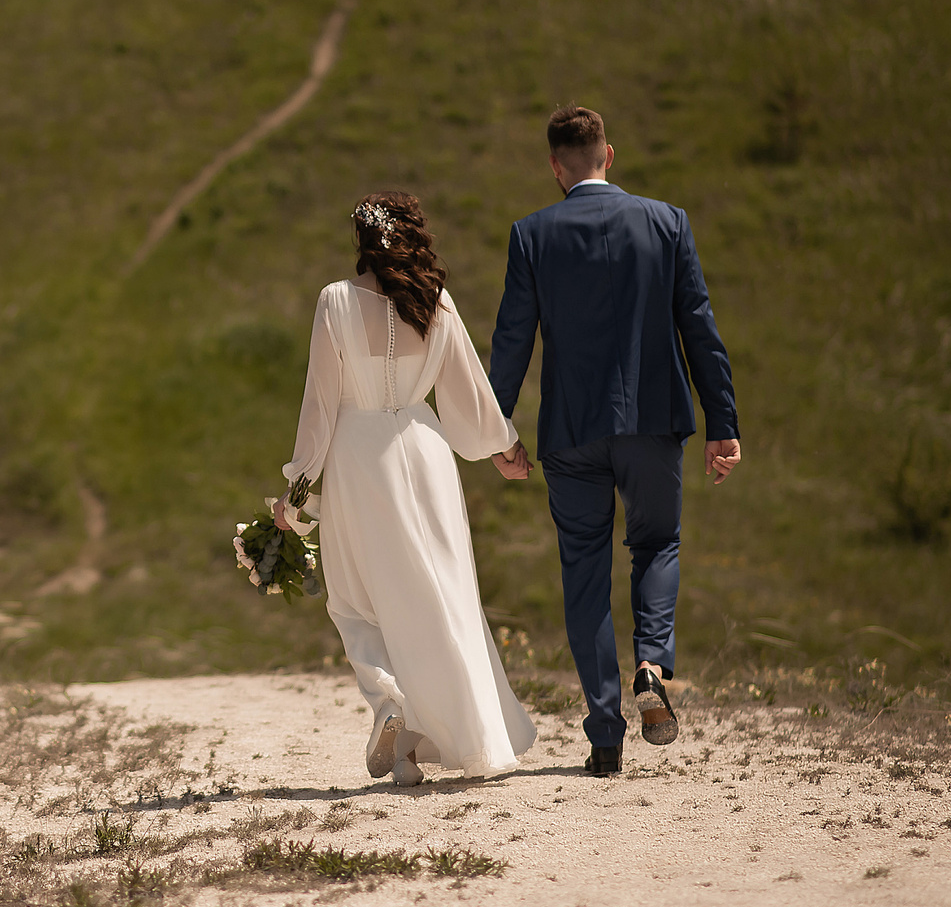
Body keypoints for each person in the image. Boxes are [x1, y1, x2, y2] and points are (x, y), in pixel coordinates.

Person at [487, 106, 740, 779]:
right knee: (657, 543)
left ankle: (605, 732)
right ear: (609, 155)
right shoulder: (667, 221)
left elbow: (513, 338)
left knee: (584, 574)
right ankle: (652, 665)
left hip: (572, 430)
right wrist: (724, 424)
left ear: (555, 165)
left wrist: (497, 429)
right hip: (654, 420)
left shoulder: (532, 234)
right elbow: (700, 329)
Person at [276, 192, 537, 784]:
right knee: (440, 593)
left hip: (358, 455)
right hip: (425, 447)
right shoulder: (435, 302)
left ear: (361, 242)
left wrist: (297, 488)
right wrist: (502, 447)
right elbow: (467, 386)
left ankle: (392, 705)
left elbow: (319, 404)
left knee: (357, 597)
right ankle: (421, 744)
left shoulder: (335, 301)